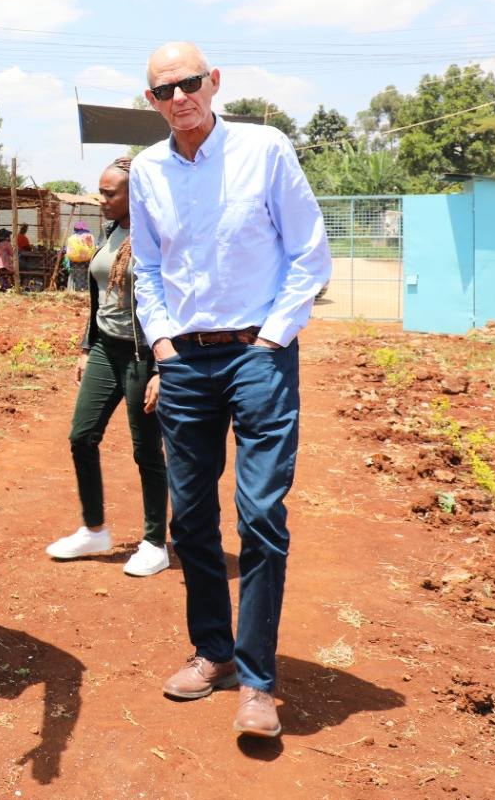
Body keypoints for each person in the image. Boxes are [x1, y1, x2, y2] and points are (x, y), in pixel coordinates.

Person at [129, 42, 331, 740]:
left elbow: (310, 250)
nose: (180, 96)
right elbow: (146, 268)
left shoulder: (265, 149)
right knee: (189, 518)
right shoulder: (148, 170)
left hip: (258, 355)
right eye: (164, 89)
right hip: (183, 362)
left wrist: (275, 337)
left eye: (190, 83)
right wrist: (160, 344)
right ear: (151, 101)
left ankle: (257, 679)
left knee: (261, 516)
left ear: (213, 83)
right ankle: (213, 649)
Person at [46, 156, 169, 577]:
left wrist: (163, 369)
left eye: (109, 193)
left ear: (135, 194)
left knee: (145, 451)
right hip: (105, 349)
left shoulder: (158, 237)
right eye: (101, 191)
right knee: (81, 436)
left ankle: (155, 542)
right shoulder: (113, 230)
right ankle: (94, 528)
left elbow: (174, 304)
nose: (101, 200)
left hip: (142, 356)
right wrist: (86, 346)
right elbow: (100, 297)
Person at [65, 224, 95, 291]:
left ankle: (74, 289)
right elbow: (92, 248)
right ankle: (85, 289)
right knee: (86, 274)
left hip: (74, 262)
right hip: (87, 261)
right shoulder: (89, 236)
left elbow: (68, 250)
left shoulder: (71, 238)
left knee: (74, 275)